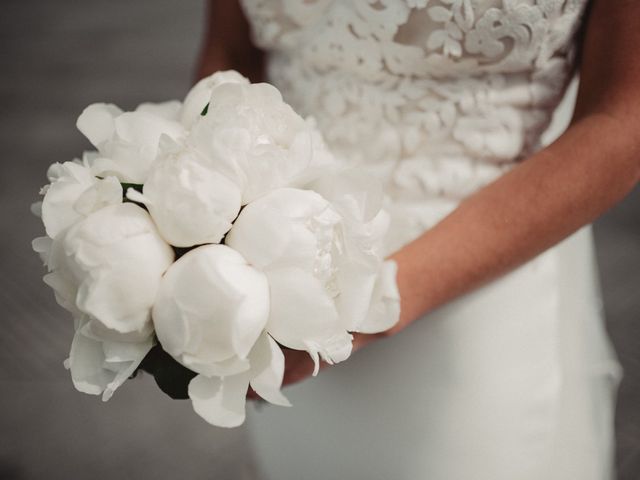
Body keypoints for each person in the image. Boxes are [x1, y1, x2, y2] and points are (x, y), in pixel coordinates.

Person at [197, 1, 638, 479]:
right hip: (280, 294)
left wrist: (367, 307)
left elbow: (621, 120)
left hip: (477, 295)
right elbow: (231, 56)